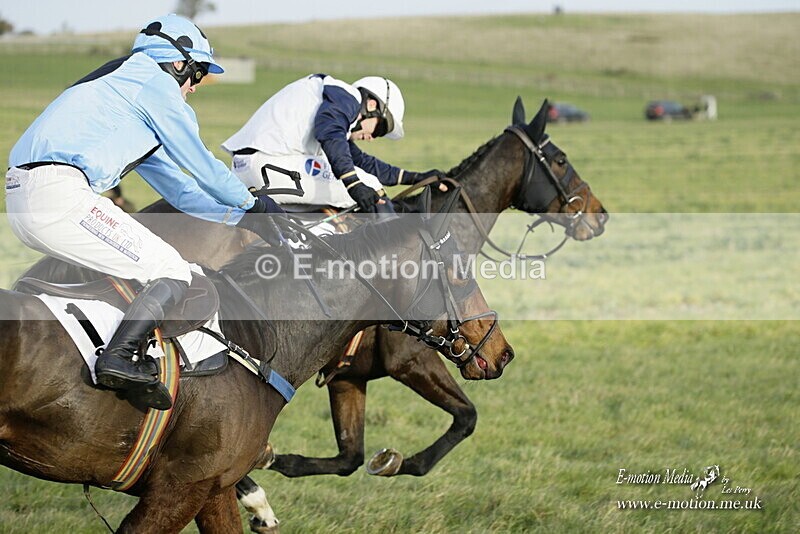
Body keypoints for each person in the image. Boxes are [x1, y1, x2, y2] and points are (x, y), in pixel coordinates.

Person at [5, 14, 282, 410]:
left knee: (142, 272)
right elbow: (203, 165)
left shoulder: (126, 96)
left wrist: (244, 220)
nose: (196, 86)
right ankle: (117, 359)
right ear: (178, 62)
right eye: (198, 73)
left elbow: (181, 189)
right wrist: (254, 203)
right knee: (171, 268)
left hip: (27, 198)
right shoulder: (154, 85)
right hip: (58, 195)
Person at [221, 74, 445, 213]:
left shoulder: (331, 102)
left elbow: (359, 160)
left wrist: (415, 178)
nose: (373, 137)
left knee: (363, 176)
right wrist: (353, 184)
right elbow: (329, 133)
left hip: (246, 168)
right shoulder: (346, 98)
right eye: (379, 128)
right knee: (372, 187)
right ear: (371, 104)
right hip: (269, 166)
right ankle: (394, 264)